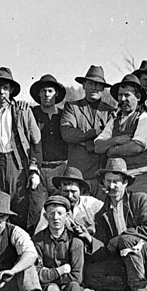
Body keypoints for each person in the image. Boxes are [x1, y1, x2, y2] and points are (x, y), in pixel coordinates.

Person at [92, 158, 147, 291]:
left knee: (127, 241)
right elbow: (105, 247)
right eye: (108, 181)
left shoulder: (141, 200)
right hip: (125, 261)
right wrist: (88, 238)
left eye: (116, 182)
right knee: (93, 271)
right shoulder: (101, 214)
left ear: (125, 183)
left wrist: (121, 237)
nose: (112, 186)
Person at [0, 67, 42, 223]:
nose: (1, 92)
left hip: (17, 162)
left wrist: (34, 169)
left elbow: (36, 143)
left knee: (19, 203)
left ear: (11, 90)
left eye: (5, 88)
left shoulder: (23, 111)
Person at [33, 196, 96, 291]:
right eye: (51, 213)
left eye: (60, 213)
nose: (56, 218)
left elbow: (77, 277)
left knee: (74, 286)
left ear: (67, 216)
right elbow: (37, 275)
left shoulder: (76, 242)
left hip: (69, 287)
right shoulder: (37, 241)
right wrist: (60, 271)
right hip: (48, 287)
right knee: (51, 288)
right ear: (45, 216)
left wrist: (49, 273)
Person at [94, 74, 147, 198]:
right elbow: (98, 146)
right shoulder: (114, 122)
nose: (122, 99)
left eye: (127, 95)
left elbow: (136, 147)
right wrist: (117, 140)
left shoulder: (145, 119)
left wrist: (112, 150)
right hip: (116, 182)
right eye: (120, 95)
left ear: (138, 97)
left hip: (139, 180)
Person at [61, 66, 114, 195]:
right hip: (79, 175)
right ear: (84, 85)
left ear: (102, 88)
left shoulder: (111, 112)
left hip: (102, 174)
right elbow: (67, 133)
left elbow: (111, 139)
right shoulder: (72, 107)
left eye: (98, 85)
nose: (94, 88)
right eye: (90, 83)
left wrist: (84, 142)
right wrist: (96, 132)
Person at [28, 74, 70, 234]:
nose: (47, 95)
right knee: (37, 211)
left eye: (50, 91)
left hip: (59, 168)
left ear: (56, 94)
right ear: (38, 94)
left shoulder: (63, 115)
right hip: (38, 169)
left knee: (59, 211)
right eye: (44, 91)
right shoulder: (32, 113)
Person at [34, 166, 104, 246]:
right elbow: (40, 233)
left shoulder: (93, 204)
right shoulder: (51, 208)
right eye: (65, 191)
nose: (69, 196)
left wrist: (92, 229)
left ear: (81, 190)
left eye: (73, 191)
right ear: (60, 189)